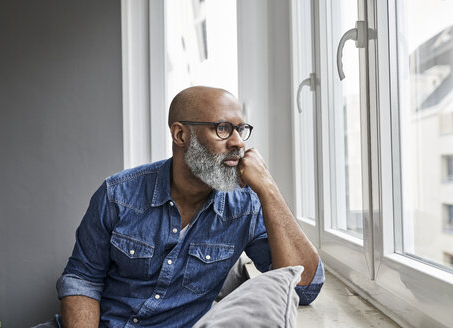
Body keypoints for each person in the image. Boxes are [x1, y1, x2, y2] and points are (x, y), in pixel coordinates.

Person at [56, 86, 325, 327]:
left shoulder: (246, 207)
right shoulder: (117, 194)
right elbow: (83, 280)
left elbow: (304, 287)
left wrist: (268, 188)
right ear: (180, 134)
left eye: (240, 129)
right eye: (222, 128)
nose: (238, 143)